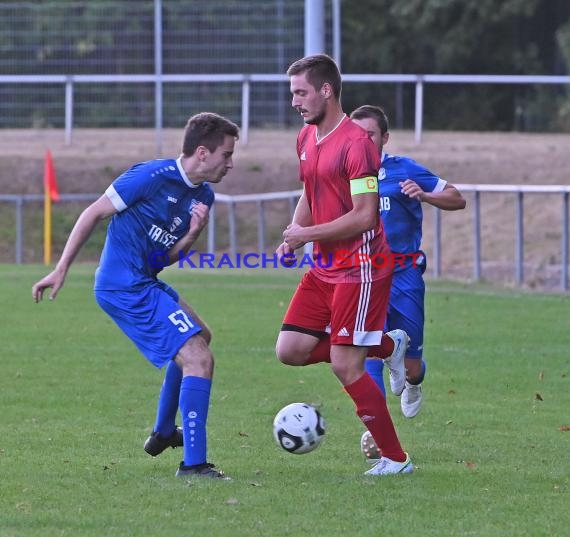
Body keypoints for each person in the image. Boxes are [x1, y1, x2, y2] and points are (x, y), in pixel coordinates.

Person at [31, 112, 239, 480]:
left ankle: (162, 432)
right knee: (198, 359)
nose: (231, 163)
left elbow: (163, 259)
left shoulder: (203, 195)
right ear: (203, 153)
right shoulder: (151, 176)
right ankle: (193, 465)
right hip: (123, 286)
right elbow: (93, 213)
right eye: (226, 154)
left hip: (145, 280)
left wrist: (192, 235)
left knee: (201, 337)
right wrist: (61, 268)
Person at [275, 54, 413, 476]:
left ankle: (395, 459)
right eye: (293, 93)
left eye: (301, 92)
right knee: (291, 351)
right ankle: (387, 346)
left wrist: (306, 236)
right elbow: (310, 191)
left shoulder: (357, 144)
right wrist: (294, 233)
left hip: (361, 266)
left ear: (326, 91)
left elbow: (364, 215)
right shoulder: (305, 137)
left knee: (344, 363)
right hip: (324, 267)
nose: (295, 101)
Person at [350, 105, 466, 458]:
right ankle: (376, 433)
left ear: (384, 138)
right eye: (356, 135)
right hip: (364, 275)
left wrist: (425, 195)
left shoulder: (403, 169)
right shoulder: (346, 173)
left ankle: (412, 379)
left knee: (412, 365)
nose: (362, 141)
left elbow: (457, 198)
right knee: (366, 348)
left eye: (369, 135)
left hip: (403, 275)